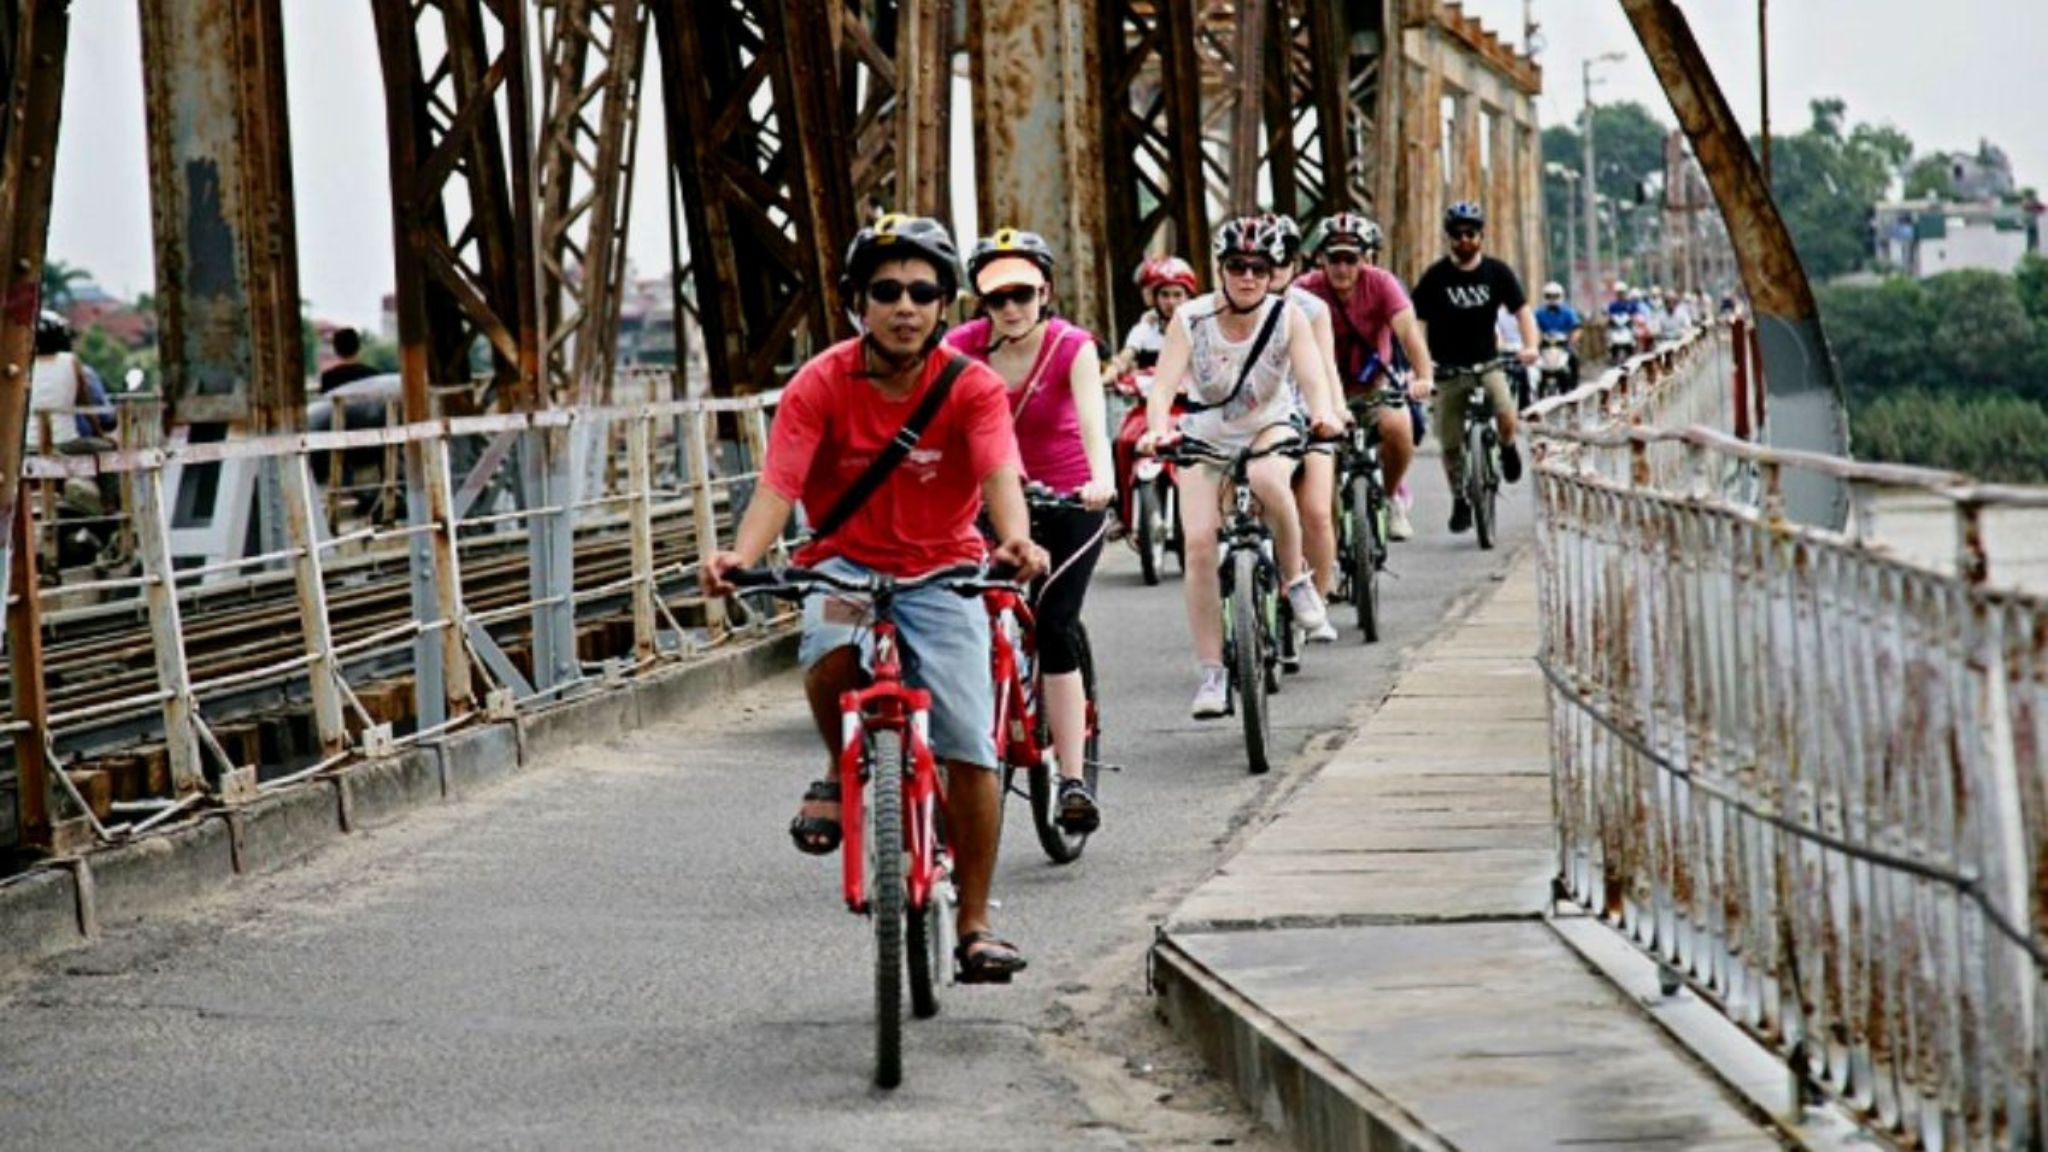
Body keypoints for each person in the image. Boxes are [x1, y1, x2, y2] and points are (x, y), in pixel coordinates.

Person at [701, 214, 1048, 984]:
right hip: (844, 566)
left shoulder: (973, 387)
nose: (905, 306)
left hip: (945, 572)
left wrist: (1015, 542)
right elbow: (779, 483)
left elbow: (999, 475)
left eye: (923, 292)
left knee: (970, 747)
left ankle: (977, 923)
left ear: (945, 306)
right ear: (858, 301)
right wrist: (741, 557)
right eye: (886, 291)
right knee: (828, 659)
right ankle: (837, 766)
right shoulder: (820, 382)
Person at [944, 228, 1114, 834]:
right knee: (962, 615)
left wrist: (1101, 480)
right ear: (980, 303)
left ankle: (1071, 779)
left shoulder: (1073, 346)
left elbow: (1094, 425)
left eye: (1022, 294)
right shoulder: (960, 347)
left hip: (1069, 500)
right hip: (996, 498)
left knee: (1056, 625)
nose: (1011, 308)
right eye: (997, 298)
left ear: (1045, 290)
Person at [1134, 215, 1339, 719]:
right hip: (1207, 436)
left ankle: (1295, 581)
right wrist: (1158, 428)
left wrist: (1324, 415)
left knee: (1271, 479)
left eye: (1260, 267)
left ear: (1274, 272)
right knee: (1200, 544)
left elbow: (1312, 378)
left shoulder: (1287, 316)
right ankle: (1212, 672)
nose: (1248, 276)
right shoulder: (1192, 319)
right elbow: (1162, 387)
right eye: (1236, 265)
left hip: (1268, 426)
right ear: (1220, 269)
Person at [1294, 213, 1434, 543]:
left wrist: (1423, 376)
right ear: (1320, 259)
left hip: (1372, 386)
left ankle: (1388, 496)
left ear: (1364, 259)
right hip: (1323, 394)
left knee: (1399, 427)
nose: (1342, 268)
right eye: (1334, 259)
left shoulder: (1382, 284)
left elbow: (1408, 332)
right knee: (1318, 478)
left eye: (1350, 259)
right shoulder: (1304, 290)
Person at [1410, 201, 1535, 534]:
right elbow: (1415, 323)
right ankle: (1460, 499)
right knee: (1450, 443)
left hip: (1487, 361)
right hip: (1447, 368)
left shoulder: (1497, 272)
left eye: (1470, 233)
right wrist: (1422, 363)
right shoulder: (1435, 277)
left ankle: (1508, 449)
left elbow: (1522, 311)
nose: (1464, 239)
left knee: (1506, 410)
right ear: (1449, 238)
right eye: (1457, 234)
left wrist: (1531, 346)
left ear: (1481, 235)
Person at [1265, 213, 1342, 641]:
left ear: (1297, 263)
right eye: (1260, 260)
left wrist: (1332, 412)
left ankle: (1319, 599)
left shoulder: (1311, 309)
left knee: (1315, 510)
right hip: (1254, 425)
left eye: (1283, 258)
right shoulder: (1229, 304)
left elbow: (1324, 367)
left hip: (1305, 416)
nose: (1271, 269)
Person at [30, 311, 113, 446]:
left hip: (29, 443)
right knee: (108, 448)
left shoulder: (24, 366)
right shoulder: (71, 361)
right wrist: (101, 435)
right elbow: (85, 404)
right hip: (67, 441)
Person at [1107, 256, 1197, 378]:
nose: (1171, 302)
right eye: (1164, 295)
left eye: (1177, 295)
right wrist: (1111, 373)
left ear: (1188, 297)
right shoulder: (1144, 330)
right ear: (1154, 299)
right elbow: (1125, 358)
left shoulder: (1199, 329)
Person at [1533, 281, 1582, 382]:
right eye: (1549, 296)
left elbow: (1576, 328)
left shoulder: (1568, 312)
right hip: (1544, 344)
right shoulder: (1539, 312)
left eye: (1555, 296)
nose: (1552, 299)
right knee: (1532, 364)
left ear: (1560, 296)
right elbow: (1533, 327)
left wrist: (1572, 340)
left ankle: (1573, 385)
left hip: (1563, 345)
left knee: (1574, 358)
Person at [319, 328, 379, 395]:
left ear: (336, 350)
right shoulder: (372, 374)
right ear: (358, 347)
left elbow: (325, 403)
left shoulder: (328, 378)